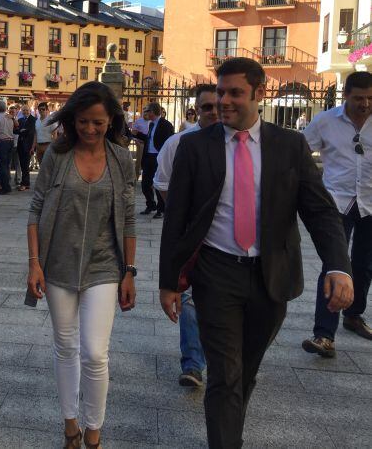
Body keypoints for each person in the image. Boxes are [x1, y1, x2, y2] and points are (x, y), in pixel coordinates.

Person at [158, 58, 353, 449]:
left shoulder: (290, 146)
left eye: (235, 93)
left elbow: (319, 211)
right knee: (224, 375)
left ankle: (230, 431)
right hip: (216, 273)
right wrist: (169, 282)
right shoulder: (195, 147)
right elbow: (176, 218)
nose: (224, 101)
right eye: (220, 92)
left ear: (260, 93)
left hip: (271, 276)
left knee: (244, 371)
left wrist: (338, 266)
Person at [26, 81, 137, 449]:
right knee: (65, 346)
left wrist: (129, 272)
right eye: (84, 121)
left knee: (95, 353)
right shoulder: (57, 155)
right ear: (73, 119)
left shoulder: (121, 159)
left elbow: (129, 219)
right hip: (57, 263)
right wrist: (34, 264)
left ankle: (94, 430)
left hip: (104, 265)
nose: (90, 129)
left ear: (111, 122)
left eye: (98, 123)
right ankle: (70, 424)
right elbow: (35, 209)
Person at [301, 71, 372, 358]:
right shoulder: (325, 121)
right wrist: (312, 185)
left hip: (370, 202)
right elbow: (300, 152)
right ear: (345, 95)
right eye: (359, 98)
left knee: (365, 264)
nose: (365, 104)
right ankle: (324, 334)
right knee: (335, 265)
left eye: (370, 98)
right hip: (336, 203)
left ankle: (354, 315)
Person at [153, 84, 218, 388]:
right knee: (190, 299)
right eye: (207, 107)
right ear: (196, 110)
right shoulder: (178, 143)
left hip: (232, 240)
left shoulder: (240, 144)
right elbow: (162, 183)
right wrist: (182, 216)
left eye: (218, 106)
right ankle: (193, 363)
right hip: (193, 237)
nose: (214, 113)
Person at [132, 103, 174, 219]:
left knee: (158, 183)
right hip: (148, 157)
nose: (145, 113)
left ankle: (161, 209)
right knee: (145, 183)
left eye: (147, 111)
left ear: (153, 112)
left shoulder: (166, 125)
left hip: (159, 157)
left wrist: (165, 157)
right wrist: (136, 134)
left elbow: (168, 142)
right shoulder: (151, 124)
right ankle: (151, 205)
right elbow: (148, 139)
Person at [0, 100, 16, 195]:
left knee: (2, 165)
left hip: (2, 142)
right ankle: (7, 185)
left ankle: (5, 187)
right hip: (10, 141)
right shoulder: (10, 117)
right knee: (6, 165)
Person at [14, 104, 36, 191]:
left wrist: (21, 131)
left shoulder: (33, 120)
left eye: (27, 110)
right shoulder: (20, 120)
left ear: (30, 111)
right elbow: (15, 131)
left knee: (25, 165)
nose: (25, 112)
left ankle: (24, 183)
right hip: (20, 146)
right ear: (21, 111)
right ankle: (26, 183)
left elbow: (30, 132)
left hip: (28, 146)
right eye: (23, 110)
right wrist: (21, 131)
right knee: (22, 165)